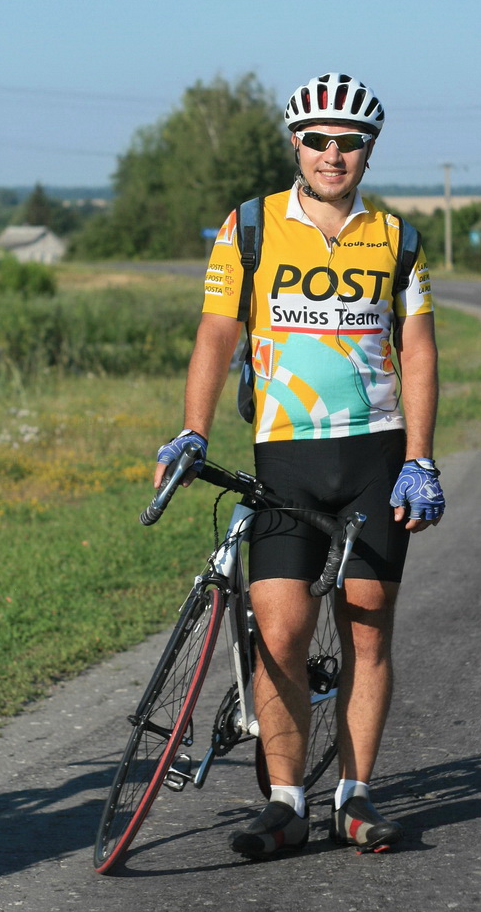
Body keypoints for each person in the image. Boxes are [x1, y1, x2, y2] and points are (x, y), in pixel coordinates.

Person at [154, 72, 445, 857]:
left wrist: (419, 458)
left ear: (367, 150)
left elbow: (417, 349)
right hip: (284, 456)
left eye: (348, 142)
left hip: (374, 453)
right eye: (317, 139)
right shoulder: (248, 227)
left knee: (366, 630)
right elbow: (217, 331)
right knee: (281, 632)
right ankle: (283, 802)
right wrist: (192, 430)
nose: (331, 153)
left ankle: (354, 795)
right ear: (295, 144)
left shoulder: (396, 238)